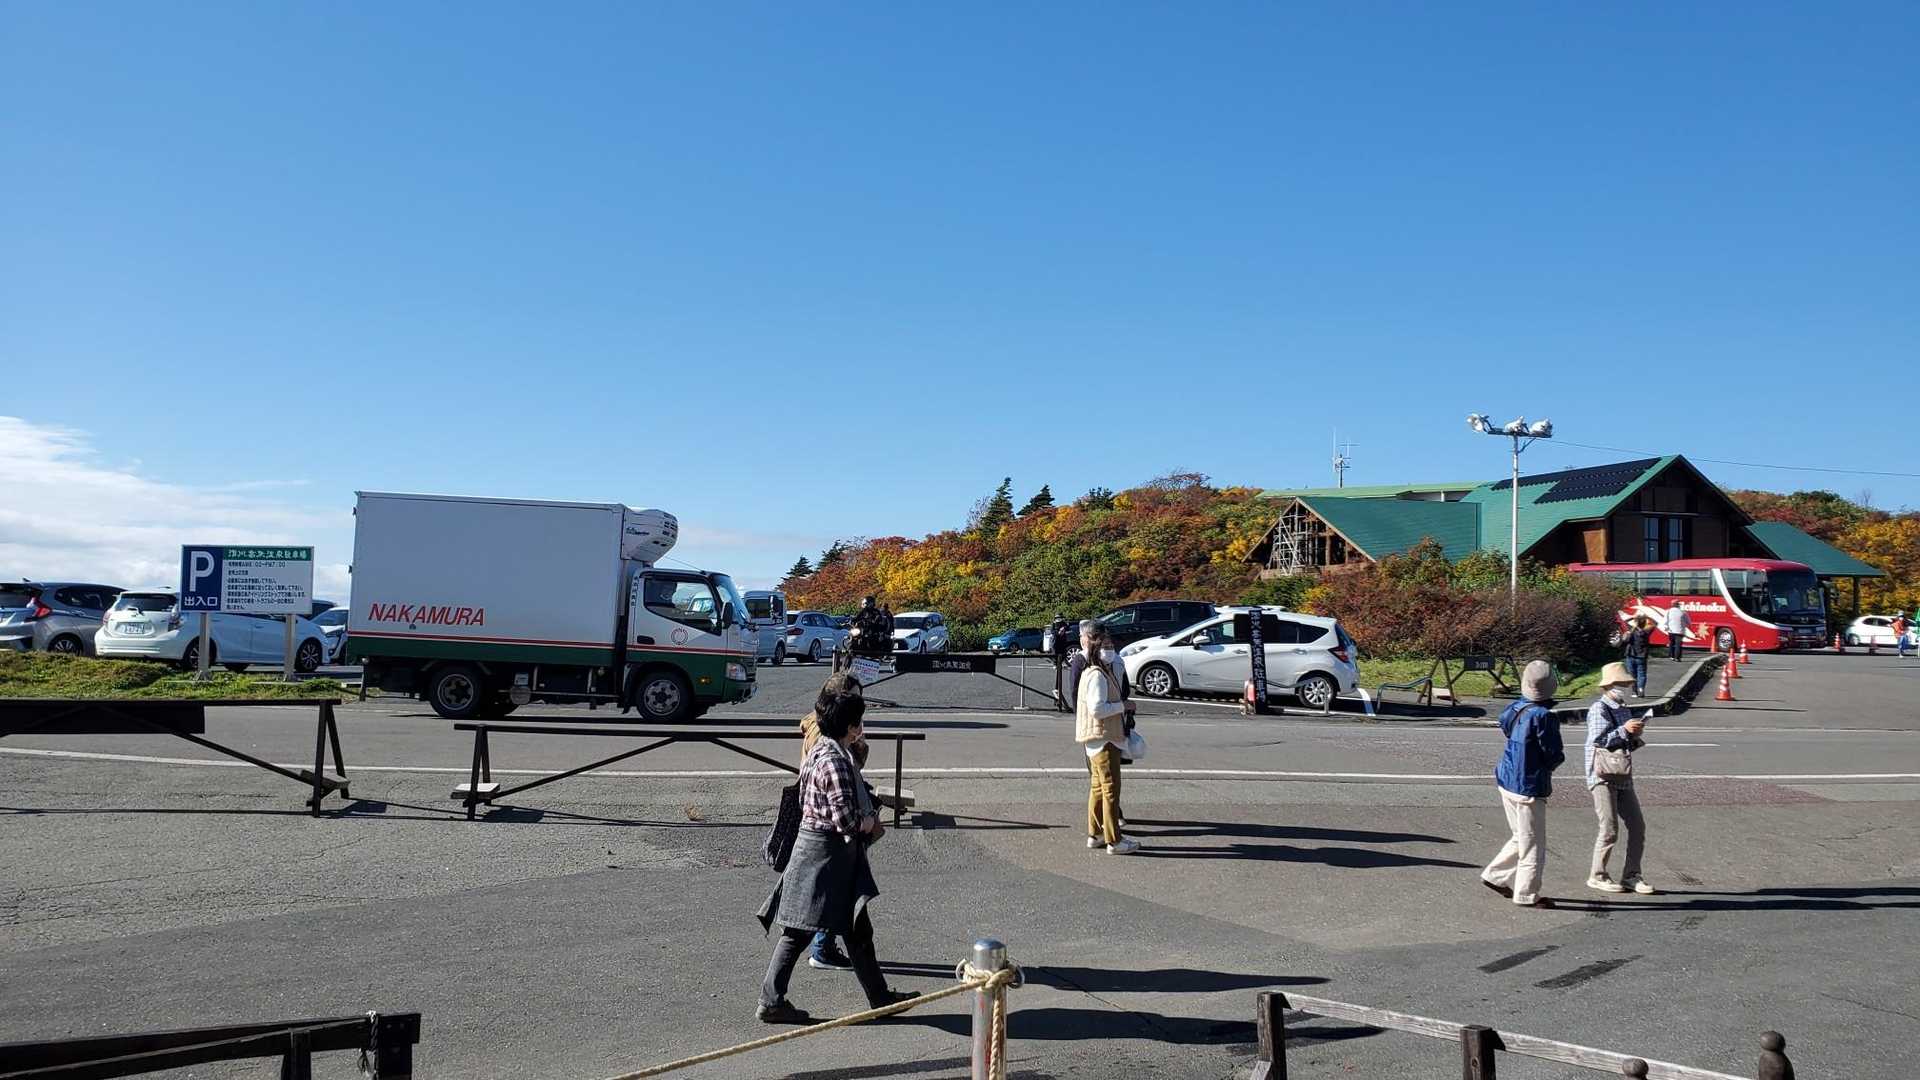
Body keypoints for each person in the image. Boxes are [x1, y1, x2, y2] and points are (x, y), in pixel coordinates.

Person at [757, 691, 918, 1024]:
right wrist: (869, 821)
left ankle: (879, 998)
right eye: (860, 720)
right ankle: (772, 1002)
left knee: (847, 929)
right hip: (829, 856)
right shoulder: (836, 761)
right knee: (806, 931)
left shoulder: (821, 750)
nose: (862, 726)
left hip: (814, 849)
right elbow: (845, 820)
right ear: (851, 726)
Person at [797, 673, 868, 973]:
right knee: (829, 899)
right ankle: (822, 949)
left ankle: (825, 949)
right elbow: (842, 811)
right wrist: (864, 823)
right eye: (854, 697)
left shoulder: (826, 732)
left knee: (828, 901)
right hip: (828, 835)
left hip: (822, 830)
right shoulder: (828, 745)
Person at [1481, 661, 1565, 909]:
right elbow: (1553, 753)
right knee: (1533, 843)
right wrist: (1551, 764)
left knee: (1520, 835)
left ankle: (1495, 875)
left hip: (1507, 777)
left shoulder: (1516, 707)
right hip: (1529, 784)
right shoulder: (1544, 716)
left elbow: (1505, 725)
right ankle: (1527, 893)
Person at [1584, 662, 1655, 895]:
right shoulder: (1599, 708)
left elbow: (1623, 744)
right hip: (1602, 775)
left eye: (1626, 683)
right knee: (1609, 828)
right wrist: (1624, 730)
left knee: (1637, 825)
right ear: (1609, 685)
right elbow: (1598, 741)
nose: (1624, 687)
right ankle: (1597, 875)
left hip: (1621, 773)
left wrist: (1634, 735)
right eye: (1621, 683)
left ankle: (1632, 875)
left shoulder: (1624, 709)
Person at [1076, 626, 1138, 855]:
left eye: (1112, 646)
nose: (1110, 650)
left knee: (1098, 787)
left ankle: (1096, 834)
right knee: (1110, 789)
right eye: (1105, 646)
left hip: (1096, 736)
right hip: (1105, 736)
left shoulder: (1096, 671)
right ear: (1095, 648)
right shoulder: (1097, 675)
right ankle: (1114, 840)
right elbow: (1098, 709)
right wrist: (1124, 706)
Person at [1621, 616, 1653, 697]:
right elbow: (1655, 623)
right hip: (1642, 656)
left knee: (1632, 674)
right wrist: (1647, 617)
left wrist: (1632, 617)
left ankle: (1634, 692)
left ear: (1636, 622)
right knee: (1642, 674)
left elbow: (1624, 621)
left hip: (1630, 655)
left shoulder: (1631, 630)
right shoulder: (1646, 632)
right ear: (1644, 623)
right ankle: (1641, 689)